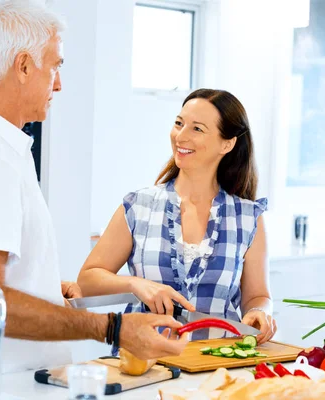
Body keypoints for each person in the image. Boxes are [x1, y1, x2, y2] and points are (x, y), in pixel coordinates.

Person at [0, 0, 187, 390]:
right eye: (55, 66)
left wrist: (39, 290)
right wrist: (114, 328)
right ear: (23, 66)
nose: (58, 84)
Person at [78, 89, 277, 344]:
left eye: (197, 129)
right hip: (144, 364)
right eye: (179, 123)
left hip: (215, 366)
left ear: (227, 144)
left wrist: (260, 312)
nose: (180, 136)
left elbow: (257, 296)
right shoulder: (139, 206)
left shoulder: (249, 218)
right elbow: (87, 280)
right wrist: (135, 284)